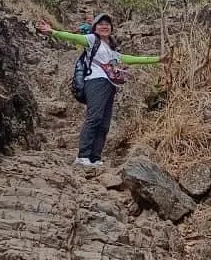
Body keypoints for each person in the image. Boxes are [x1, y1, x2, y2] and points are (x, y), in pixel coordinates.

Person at [37, 13, 164, 167]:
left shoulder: (111, 50)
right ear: (95, 28)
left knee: (104, 123)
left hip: (110, 85)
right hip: (95, 82)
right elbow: (72, 37)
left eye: (107, 24)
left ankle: (95, 157)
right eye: (100, 24)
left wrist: (158, 59)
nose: (104, 26)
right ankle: (83, 156)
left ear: (111, 28)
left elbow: (133, 59)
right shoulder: (92, 40)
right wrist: (52, 32)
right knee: (94, 117)